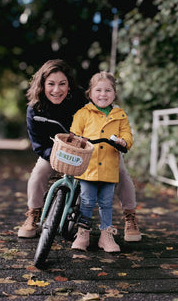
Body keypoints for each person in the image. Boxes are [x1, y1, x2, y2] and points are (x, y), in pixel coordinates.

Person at [17, 59, 141, 242]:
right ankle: (33, 214)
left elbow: (103, 110)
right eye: (50, 84)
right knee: (38, 173)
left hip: (92, 149)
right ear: (42, 85)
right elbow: (38, 144)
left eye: (62, 84)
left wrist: (116, 140)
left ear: (69, 85)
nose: (56, 90)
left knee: (121, 172)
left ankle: (130, 216)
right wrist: (56, 156)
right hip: (56, 151)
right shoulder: (35, 110)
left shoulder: (80, 99)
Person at [70, 71, 133, 252]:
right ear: (90, 93)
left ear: (114, 94)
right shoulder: (83, 113)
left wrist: (124, 141)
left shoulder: (120, 115)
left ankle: (106, 236)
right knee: (87, 200)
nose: (103, 94)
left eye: (108, 90)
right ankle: (83, 233)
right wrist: (78, 140)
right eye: (98, 90)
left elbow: (127, 134)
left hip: (108, 166)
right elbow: (74, 133)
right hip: (88, 166)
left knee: (106, 202)